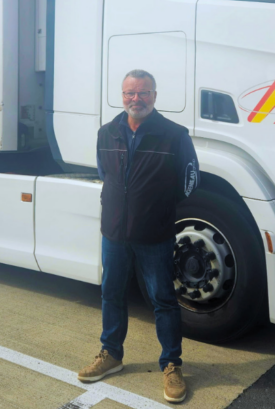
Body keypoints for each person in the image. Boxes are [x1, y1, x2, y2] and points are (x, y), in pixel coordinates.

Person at [78, 69, 199, 403]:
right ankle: (111, 354)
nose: (136, 99)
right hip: (114, 232)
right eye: (130, 93)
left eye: (143, 92)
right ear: (122, 96)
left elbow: (189, 181)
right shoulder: (107, 133)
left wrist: (157, 207)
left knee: (163, 299)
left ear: (154, 96)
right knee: (111, 293)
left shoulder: (174, 135)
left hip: (154, 233)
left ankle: (172, 364)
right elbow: (105, 174)